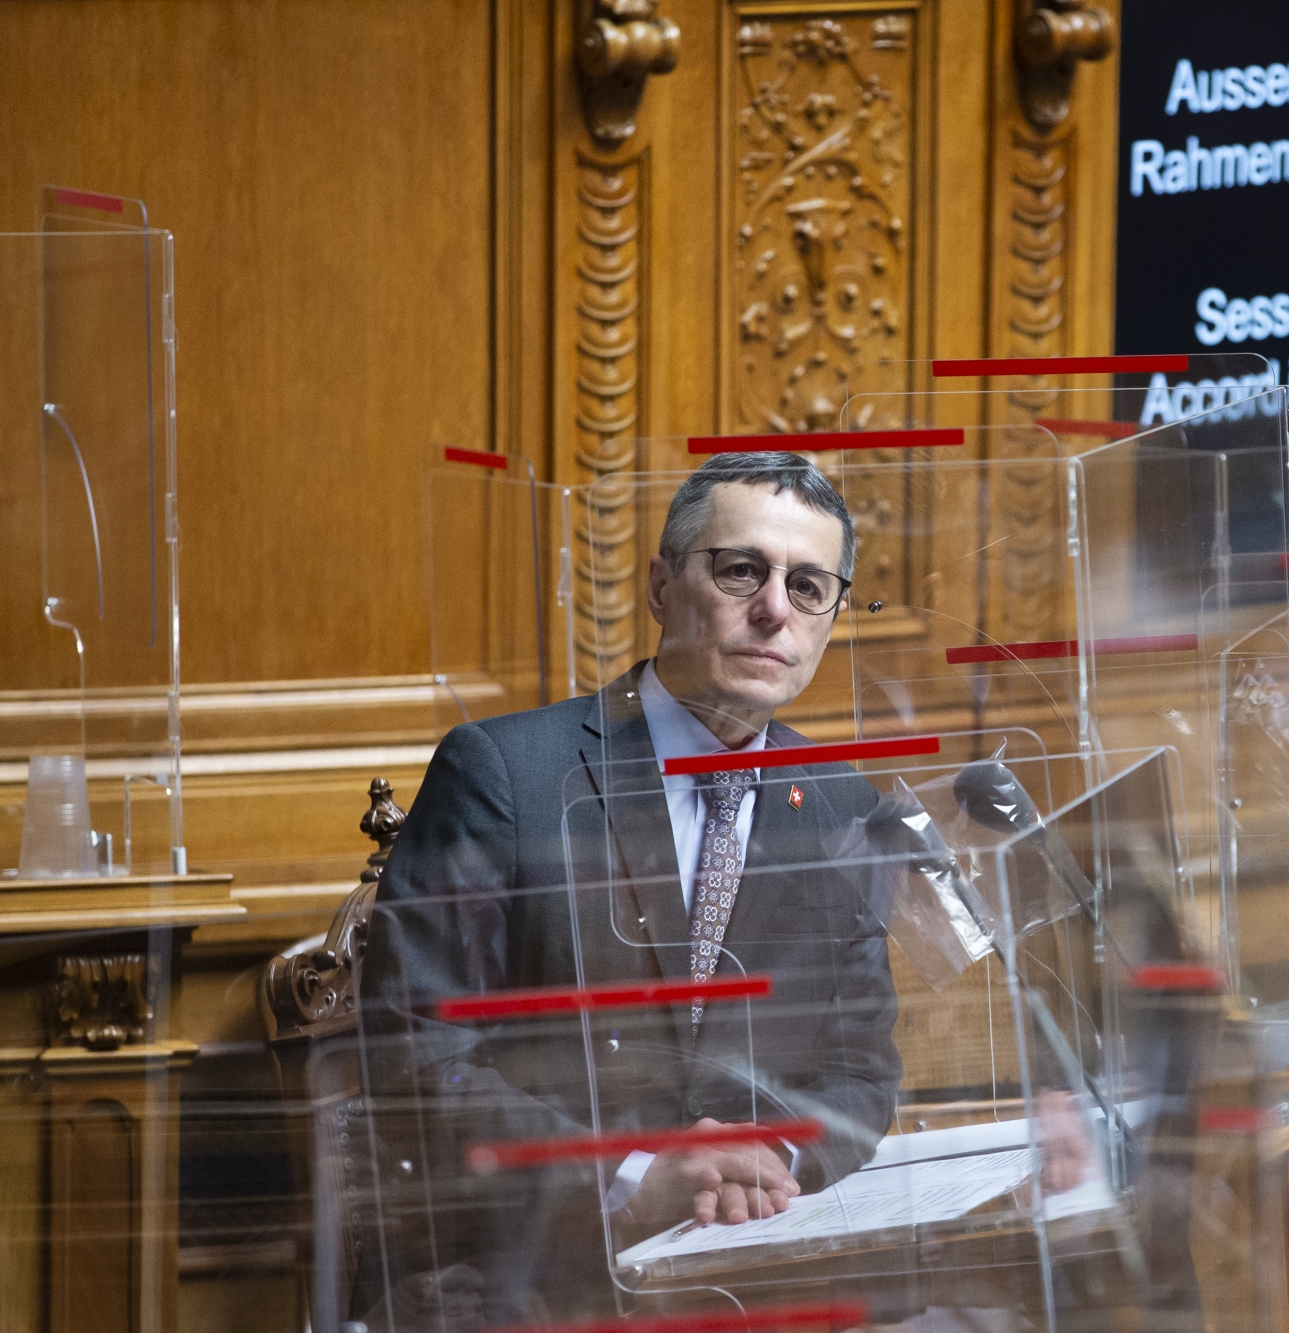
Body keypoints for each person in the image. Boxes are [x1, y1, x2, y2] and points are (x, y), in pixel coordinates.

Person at [356, 452, 900, 1326]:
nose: (774, 610)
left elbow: (860, 1073)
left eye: (809, 586)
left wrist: (776, 1159)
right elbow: (414, 1057)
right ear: (659, 586)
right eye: (741, 570)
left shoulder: (843, 806)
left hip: (760, 1265)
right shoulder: (505, 772)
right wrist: (632, 1176)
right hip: (526, 1272)